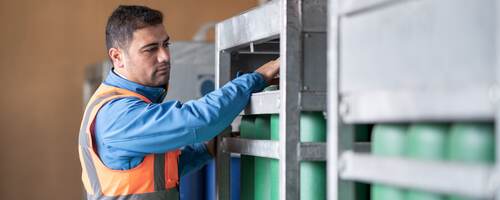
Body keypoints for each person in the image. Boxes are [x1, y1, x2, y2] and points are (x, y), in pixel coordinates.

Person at [78, 5, 280, 200]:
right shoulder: (117, 113)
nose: (165, 57)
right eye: (150, 49)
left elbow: (157, 173)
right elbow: (198, 120)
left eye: (166, 44)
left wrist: (206, 149)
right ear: (117, 57)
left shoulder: (134, 102)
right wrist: (257, 78)